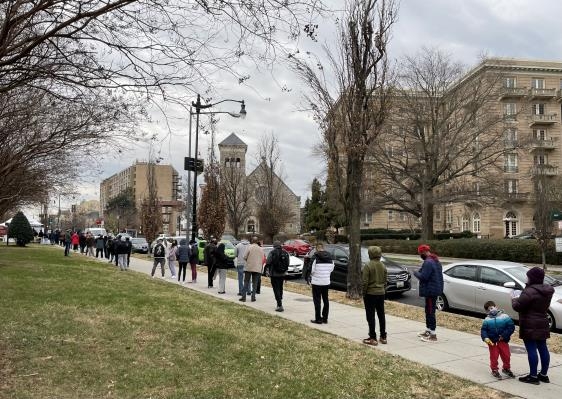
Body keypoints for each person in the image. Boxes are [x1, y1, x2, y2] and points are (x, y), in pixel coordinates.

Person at [512, 267, 555, 385]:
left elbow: (518, 307)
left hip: (529, 323)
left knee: (531, 349)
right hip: (542, 321)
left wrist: (514, 298)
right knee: (543, 348)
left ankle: (533, 376)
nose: (526, 278)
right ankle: (543, 375)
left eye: (528, 276)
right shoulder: (548, 290)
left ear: (532, 278)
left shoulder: (529, 291)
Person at [414, 244, 443, 342]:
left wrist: (415, 272)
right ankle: (428, 330)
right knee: (428, 310)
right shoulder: (436, 261)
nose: (420, 255)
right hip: (434, 289)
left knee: (430, 311)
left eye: (420, 253)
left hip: (430, 291)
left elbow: (423, 277)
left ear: (424, 252)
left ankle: (433, 335)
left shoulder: (428, 262)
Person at [481, 300, 515, 379]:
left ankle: (506, 368)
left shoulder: (504, 316)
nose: (491, 310)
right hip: (492, 342)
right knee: (494, 356)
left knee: (506, 355)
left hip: (503, 340)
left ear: (496, 307)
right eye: (488, 310)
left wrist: (504, 335)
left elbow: (511, 327)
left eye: (492, 308)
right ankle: (494, 370)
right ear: (487, 311)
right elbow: (483, 330)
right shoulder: (487, 320)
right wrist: (485, 338)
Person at [361, 246, 387, 346]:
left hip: (370, 294)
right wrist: (382, 288)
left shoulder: (368, 266)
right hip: (381, 293)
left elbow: (365, 282)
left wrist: (363, 293)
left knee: (370, 316)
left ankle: (372, 337)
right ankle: (383, 336)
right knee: (381, 315)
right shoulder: (383, 265)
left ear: (370, 254)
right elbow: (385, 281)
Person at [308, 243, 334, 323]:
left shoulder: (315, 257)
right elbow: (332, 269)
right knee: (325, 300)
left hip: (316, 282)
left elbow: (311, 270)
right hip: (326, 281)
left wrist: (312, 276)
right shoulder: (330, 257)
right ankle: (325, 318)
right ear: (323, 248)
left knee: (317, 301)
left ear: (316, 249)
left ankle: (318, 318)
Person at [266, 241, 290, 312]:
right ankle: (279, 302)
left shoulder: (272, 252)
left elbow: (268, 262)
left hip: (274, 274)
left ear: (274, 246)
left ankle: (279, 305)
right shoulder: (285, 252)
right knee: (280, 288)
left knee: (276, 289)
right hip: (282, 274)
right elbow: (288, 263)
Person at [240, 237, 264, 303]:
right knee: (255, 283)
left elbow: (244, 256)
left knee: (246, 282)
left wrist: (249, 260)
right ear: (257, 241)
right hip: (257, 267)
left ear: (252, 241)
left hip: (249, 267)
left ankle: (243, 297)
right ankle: (253, 297)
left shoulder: (249, 247)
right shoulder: (260, 249)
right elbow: (262, 258)